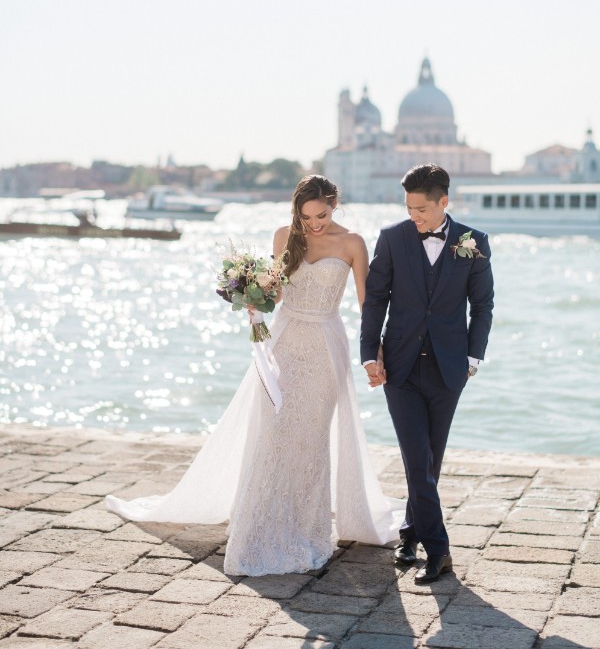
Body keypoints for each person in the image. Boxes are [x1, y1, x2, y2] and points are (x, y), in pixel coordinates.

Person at [107, 174, 400, 576]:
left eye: (321, 215)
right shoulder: (284, 236)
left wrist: (376, 353)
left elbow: (368, 304)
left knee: (311, 438)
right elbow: (277, 292)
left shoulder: (352, 244)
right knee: (274, 432)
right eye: (306, 216)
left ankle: (306, 528)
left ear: (335, 205)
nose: (314, 224)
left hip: (325, 347)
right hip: (282, 342)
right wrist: (251, 296)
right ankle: (261, 524)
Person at [360, 163, 494, 584]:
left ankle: (410, 533)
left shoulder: (474, 242)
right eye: (408, 207)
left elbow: (483, 306)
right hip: (398, 366)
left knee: (429, 461)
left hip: (450, 368)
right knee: (418, 461)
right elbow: (375, 299)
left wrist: (474, 358)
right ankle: (440, 552)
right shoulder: (393, 238)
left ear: (443, 202)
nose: (413, 215)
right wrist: (368, 354)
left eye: (421, 208)